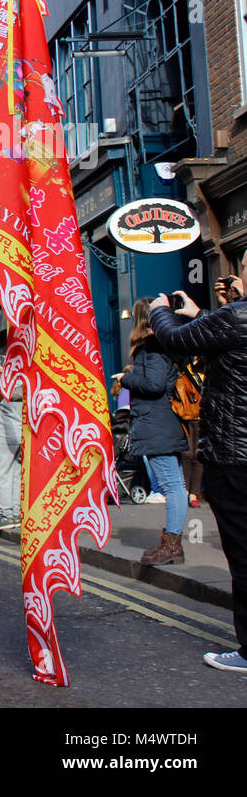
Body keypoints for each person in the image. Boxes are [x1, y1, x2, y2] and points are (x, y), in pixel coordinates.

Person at [149, 263, 247, 672]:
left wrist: (159, 310)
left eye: (243, 269)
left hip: (236, 456)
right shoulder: (235, 316)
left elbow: (175, 338)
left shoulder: (238, 314)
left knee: (242, 554)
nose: (238, 278)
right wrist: (202, 314)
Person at [120, 297, 190, 565]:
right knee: (174, 485)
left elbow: (154, 385)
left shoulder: (151, 346)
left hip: (157, 423)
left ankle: (173, 545)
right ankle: (171, 544)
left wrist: (126, 378)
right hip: (163, 422)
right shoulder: (167, 345)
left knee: (172, 486)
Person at [0, 377, 24, 531]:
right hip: (22, 432)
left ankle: (6, 515)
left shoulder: (1, 383)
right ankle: (17, 513)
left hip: (5, 435)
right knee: (17, 474)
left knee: (4, 474)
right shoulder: (23, 383)